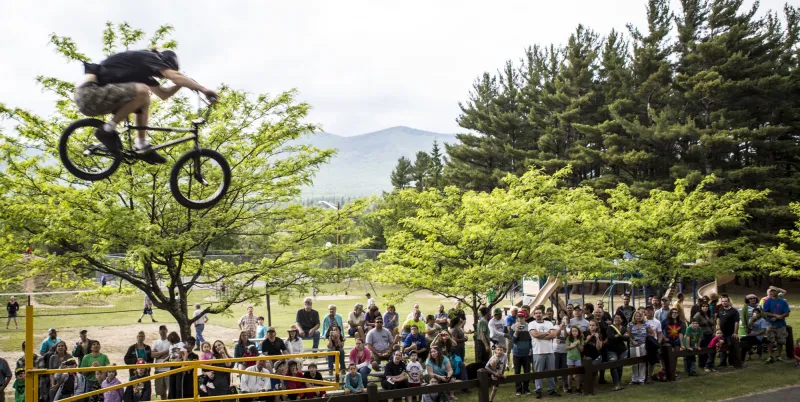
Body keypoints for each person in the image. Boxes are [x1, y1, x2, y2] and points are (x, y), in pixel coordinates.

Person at [75, 48, 218, 163]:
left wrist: (180, 85)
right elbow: (174, 76)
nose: (160, 77)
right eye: (163, 74)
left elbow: (163, 94)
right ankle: (106, 130)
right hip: (89, 94)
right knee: (143, 91)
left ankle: (141, 144)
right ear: (164, 63)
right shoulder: (151, 57)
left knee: (144, 98)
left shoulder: (142, 72)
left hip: (96, 99)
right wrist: (203, 89)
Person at [529, 308, 559, 398]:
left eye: (540, 313)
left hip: (550, 351)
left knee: (551, 372)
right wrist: (547, 333)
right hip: (538, 352)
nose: (538, 314)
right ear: (534, 315)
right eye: (536, 313)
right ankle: (538, 390)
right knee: (538, 372)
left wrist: (540, 335)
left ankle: (552, 390)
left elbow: (553, 335)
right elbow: (535, 335)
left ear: (543, 314)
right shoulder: (532, 324)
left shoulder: (549, 323)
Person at [762, 287, 791, 364]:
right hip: (770, 323)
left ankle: (779, 356)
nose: (772, 293)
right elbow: (765, 313)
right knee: (770, 340)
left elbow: (787, 313)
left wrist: (780, 316)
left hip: (781, 324)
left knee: (780, 340)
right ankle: (770, 356)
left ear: (777, 292)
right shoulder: (768, 301)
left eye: (774, 291)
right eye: (771, 291)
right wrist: (775, 315)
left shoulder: (783, 302)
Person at [715, 296, 740, 367]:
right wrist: (718, 328)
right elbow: (718, 319)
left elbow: (736, 322)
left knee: (730, 348)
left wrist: (735, 332)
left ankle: (731, 363)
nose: (724, 303)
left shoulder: (734, 311)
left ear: (729, 302)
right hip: (722, 334)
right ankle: (722, 363)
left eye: (725, 301)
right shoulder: (720, 309)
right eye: (722, 301)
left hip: (730, 333)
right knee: (722, 348)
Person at [606, 314, 628, 391]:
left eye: (619, 318)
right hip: (612, 350)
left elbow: (627, 338)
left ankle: (618, 382)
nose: (617, 319)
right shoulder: (610, 327)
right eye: (615, 318)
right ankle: (616, 384)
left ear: (621, 320)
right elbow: (610, 337)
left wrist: (618, 336)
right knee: (613, 365)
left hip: (622, 350)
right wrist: (621, 336)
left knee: (620, 366)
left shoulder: (624, 328)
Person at [150, 325, 170, 400]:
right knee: (161, 392)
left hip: (169, 369)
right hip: (158, 370)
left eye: (164, 329)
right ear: (159, 331)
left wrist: (158, 354)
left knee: (170, 391)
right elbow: (152, 355)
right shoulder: (156, 342)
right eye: (161, 329)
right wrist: (165, 352)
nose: (162, 331)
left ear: (167, 330)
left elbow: (170, 354)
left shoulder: (170, 342)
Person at [565, 326, 584, 394]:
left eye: (576, 331)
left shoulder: (580, 339)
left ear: (578, 332)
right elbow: (566, 348)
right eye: (573, 331)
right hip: (570, 357)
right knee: (570, 373)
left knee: (577, 374)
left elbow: (582, 349)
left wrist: (578, 344)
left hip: (577, 358)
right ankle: (569, 388)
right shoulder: (569, 338)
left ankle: (578, 388)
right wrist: (573, 346)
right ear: (571, 332)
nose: (574, 332)